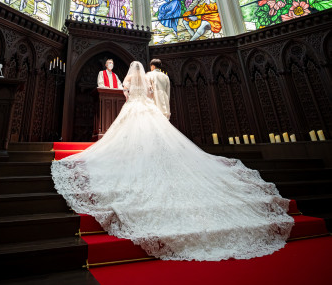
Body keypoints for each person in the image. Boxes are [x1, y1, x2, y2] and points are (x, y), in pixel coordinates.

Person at [51, 60, 294, 262]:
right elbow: (150, 94)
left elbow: (126, 92)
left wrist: (129, 96)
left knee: (126, 136)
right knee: (157, 136)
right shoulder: (149, 79)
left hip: (132, 108)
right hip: (147, 108)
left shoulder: (128, 80)